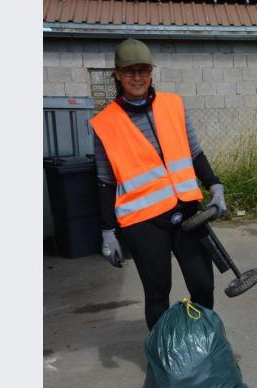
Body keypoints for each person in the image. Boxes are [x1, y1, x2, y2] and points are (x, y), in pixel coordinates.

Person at [90, 39, 227, 330]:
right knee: (157, 292)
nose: (137, 78)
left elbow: (194, 152)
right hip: (143, 222)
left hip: (187, 210)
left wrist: (215, 186)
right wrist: (107, 231)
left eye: (143, 70)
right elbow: (105, 180)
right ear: (117, 74)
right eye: (129, 72)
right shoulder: (105, 124)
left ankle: (201, 345)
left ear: (151, 72)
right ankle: (163, 358)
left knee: (203, 284)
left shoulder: (173, 104)